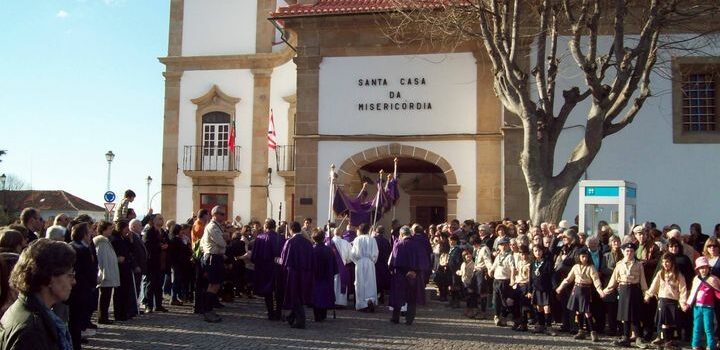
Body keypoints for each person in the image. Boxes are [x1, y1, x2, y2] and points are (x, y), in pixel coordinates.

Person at [0, 239, 76, 350]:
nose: (74, 282)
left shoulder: (29, 311)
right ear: (50, 278)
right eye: (70, 275)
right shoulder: (32, 331)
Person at [600, 242, 649, 348]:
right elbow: (613, 280)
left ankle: (638, 338)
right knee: (625, 315)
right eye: (627, 251)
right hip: (623, 289)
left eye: (631, 251)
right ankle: (626, 337)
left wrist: (646, 294)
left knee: (635, 315)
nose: (629, 253)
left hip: (635, 290)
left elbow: (643, 281)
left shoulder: (639, 264)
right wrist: (605, 291)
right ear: (623, 251)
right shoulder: (619, 264)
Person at [555, 248, 603, 342]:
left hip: (586, 290)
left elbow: (596, 280)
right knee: (578, 311)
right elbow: (568, 279)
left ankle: (593, 332)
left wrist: (600, 290)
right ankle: (581, 331)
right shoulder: (576, 267)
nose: (584, 258)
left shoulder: (591, 267)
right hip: (576, 289)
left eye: (586, 256)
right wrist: (560, 287)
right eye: (582, 256)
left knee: (587, 312)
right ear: (579, 257)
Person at [644, 253, 687, 349]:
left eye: (667, 262)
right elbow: (653, 286)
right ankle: (666, 341)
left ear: (672, 262)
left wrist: (683, 302)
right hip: (663, 301)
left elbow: (683, 289)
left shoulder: (678, 275)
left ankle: (669, 341)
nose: (665, 264)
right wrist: (648, 295)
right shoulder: (660, 273)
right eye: (663, 262)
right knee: (664, 323)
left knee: (671, 323)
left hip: (673, 301)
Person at [280, 222, 313, 329]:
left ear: (291, 230)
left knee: (295, 295)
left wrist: (277, 260)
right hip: (306, 272)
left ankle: (301, 320)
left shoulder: (290, 242)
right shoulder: (308, 243)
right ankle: (291, 317)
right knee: (299, 295)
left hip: (293, 273)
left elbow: (284, 259)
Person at [251, 218, 285, 321]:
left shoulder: (260, 238)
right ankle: (278, 313)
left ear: (265, 227)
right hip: (277, 268)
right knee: (278, 291)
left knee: (268, 292)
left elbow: (254, 257)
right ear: (274, 227)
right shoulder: (281, 238)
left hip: (264, 269)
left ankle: (271, 313)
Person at [68, 223, 95, 349]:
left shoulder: (69, 246)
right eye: (89, 233)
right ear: (84, 234)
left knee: (73, 319)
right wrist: (93, 283)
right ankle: (76, 344)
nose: (91, 235)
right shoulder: (83, 249)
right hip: (81, 289)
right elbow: (88, 270)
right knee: (76, 320)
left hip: (72, 287)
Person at [684, 256, 720, 350]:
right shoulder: (696, 279)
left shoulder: (713, 279)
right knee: (697, 326)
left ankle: (711, 346)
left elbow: (717, 292)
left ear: (708, 268)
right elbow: (693, 293)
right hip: (697, 307)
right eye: (700, 268)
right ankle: (695, 345)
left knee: (708, 327)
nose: (703, 270)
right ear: (698, 269)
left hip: (708, 308)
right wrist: (687, 304)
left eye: (705, 267)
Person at [199, 206, 227, 323]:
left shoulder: (217, 227)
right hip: (212, 257)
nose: (223, 216)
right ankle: (207, 310)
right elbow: (221, 243)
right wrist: (225, 238)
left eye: (223, 214)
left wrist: (224, 238)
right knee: (213, 285)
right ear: (214, 214)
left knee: (216, 285)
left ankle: (208, 309)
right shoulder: (212, 227)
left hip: (216, 257)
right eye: (221, 214)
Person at [389, 225, 421, 325]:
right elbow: (422, 260)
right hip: (413, 274)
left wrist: (391, 269)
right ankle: (409, 319)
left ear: (402, 234)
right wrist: (416, 271)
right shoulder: (416, 245)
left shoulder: (398, 244)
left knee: (398, 296)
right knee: (411, 297)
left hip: (400, 273)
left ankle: (395, 318)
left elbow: (393, 260)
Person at [94, 221, 119, 325]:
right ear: (104, 230)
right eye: (110, 229)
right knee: (104, 296)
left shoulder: (106, 241)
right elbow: (102, 258)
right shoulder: (102, 242)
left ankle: (104, 316)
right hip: (105, 272)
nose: (111, 231)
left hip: (109, 271)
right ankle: (102, 317)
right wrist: (104, 273)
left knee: (107, 296)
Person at [142, 214, 169, 314]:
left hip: (162, 262)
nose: (161, 220)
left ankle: (158, 305)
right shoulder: (149, 232)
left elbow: (168, 242)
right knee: (150, 285)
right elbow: (147, 245)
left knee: (159, 285)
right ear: (153, 221)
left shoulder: (163, 232)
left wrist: (166, 245)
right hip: (152, 262)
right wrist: (159, 247)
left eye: (162, 219)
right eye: (159, 219)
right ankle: (148, 305)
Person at [350, 223, 379, 312]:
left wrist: (356, 262)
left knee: (360, 283)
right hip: (369, 263)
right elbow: (376, 252)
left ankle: (362, 304)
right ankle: (370, 300)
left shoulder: (357, 239)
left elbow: (353, 253)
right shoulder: (372, 240)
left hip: (360, 262)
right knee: (370, 282)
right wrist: (372, 261)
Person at [529, 244, 556, 335]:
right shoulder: (533, 264)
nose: (538, 252)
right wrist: (529, 290)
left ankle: (549, 327)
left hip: (546, 288)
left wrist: (554, 287)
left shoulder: (548, 262)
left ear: (542, 251)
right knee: (539, 307)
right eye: (535, 251)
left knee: (546, 307)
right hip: (536, 289)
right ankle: (541, 325)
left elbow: (552, 276)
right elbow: (530, 278)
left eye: (539, 250)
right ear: (533, 252)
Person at [311, 228, 336, 322]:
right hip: (326, 277)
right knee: (324, 295)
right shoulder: (328, 250)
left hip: (316, 277)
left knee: (316, 296)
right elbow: (334, 265)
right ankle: (323, 314)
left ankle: (317, 315)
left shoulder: (312, 250)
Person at [490, 236, 514, 327]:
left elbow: (512, 268)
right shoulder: (498, 256)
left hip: (505, 280)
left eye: (505, 245)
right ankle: (496, 316)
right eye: (501, 245)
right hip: (496, 279)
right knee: (496, 299)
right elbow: (495, 265)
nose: (503, 247)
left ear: (508, 246)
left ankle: (503, 317)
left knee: (504, 300)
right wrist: (491, 270)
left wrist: (512, 279)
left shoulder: (510, 256)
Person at [328, 227, 351, 307]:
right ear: (341, 233)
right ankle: (341, 302)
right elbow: (349, 257)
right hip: (343, 267)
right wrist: (345, 262)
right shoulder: (346, 243)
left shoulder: (329, 242)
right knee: (341, 284)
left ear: (334, 233)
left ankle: (332, 301)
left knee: (333, 284)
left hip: (331, 268)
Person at [373, 225, 391, 304]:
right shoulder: (386, 241)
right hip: (383, 263)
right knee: (382, 280)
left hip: (376, 263)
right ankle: (381, 296)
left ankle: (376, 295)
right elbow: (389, 251)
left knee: (376, 280)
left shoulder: (374, 240)